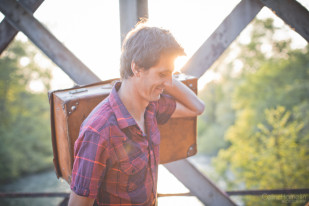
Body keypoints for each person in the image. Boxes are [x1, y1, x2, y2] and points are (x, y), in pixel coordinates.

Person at [68, 22, 205, 206]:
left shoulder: (151, 107)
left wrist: (167, 76)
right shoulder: (99, 131)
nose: (169, 83)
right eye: (162, 74)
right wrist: (165, 79)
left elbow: (197, 107)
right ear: (137, 68)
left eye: (171, 75)